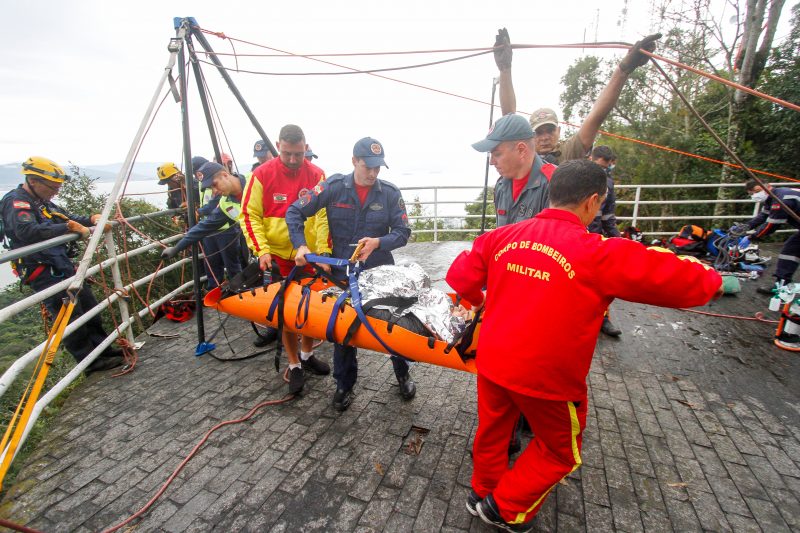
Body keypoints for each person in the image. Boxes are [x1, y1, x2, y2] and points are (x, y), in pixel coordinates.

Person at [446, 159, 723, 532]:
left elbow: (458, 276)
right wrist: (714, 277)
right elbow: (687, 279)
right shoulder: (599, 252)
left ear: (552, 193)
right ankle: (505, 508)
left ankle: (482, 493)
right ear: (593, 201)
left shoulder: (501, 237)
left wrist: (478, 299)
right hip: (548, 380)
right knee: (561, 451)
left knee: (493, 431)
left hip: (494, 362)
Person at [286, 137, 416, 412]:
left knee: (392, 326)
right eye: (367, 166)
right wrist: (301, 244)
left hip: (382, 273)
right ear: (354, 161)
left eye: (378, 168)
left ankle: (402, 373)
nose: (372, 173)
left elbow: (403, 233)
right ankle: (344, 384)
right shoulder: (333, 187)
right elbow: (295, 211)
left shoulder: (390, 193)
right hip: (344, 275)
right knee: (343, 330)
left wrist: (379, 242)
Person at [0, 157, 125, 373]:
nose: (55, 192)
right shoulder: (16, 202)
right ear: (33, 180)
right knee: (69, 317)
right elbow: (26, 232)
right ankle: (90, 363)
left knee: (89, 307)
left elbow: (64, 218)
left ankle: (103, 350)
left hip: (61, 265)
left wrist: (91, 219)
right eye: (52, 187)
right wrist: (67, 229)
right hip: (42, 269)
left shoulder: (41, 201)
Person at [240, 124, 332, 395]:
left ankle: (306, 355)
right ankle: (293, 365)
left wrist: (324, 253)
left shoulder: (317, 175)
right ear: (278, 146)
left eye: (298, 154)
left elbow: (324, 217)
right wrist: (262, 250)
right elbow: (249, 215)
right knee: (287, 315)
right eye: (287, 153)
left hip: (309, 258)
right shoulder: (261, 175)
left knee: (310, 308)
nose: (293, 160)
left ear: (306, 147)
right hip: (278, 258)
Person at [493, 28, 660, 164]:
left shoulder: (568, 152)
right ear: (531, 135)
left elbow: (595, 118)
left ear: (558, 131)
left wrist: (623, 70)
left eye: (549, 131)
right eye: (539, 132)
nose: (544, 138)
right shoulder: (525, 155)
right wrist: (505, 70)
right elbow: (509, 118)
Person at [160, 162, 245, 288]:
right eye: (212, 188)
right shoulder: (225, 205)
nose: (215, 191)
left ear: (225, 175)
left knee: (233, 264)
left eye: (215, 184)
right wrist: (176, 248)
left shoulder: (256, 180)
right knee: (213, 264)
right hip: (266, 250)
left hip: (279, 243)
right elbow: (203, 227)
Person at [473, 113, 557, 227]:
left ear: (521, 150)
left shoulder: (555, 183)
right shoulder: (501, 186)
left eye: (497, 154)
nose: (491, 162)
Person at [741, 180, 800, 294]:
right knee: (790, 251)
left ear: (768, 186)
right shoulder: (774, 197)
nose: (755, 195)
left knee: (791, 249)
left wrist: (751, 237)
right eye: (751, 193)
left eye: (757, 191)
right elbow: (763, 216)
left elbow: (771, 225)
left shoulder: (781, 200)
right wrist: (745, 226)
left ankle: (782, 284)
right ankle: (781, 285)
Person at [588, 145, 622, 337]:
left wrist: (618, 239)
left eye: (606, 167)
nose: (603, 171)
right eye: (600, 166)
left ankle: (603, 318)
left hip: (596, 239)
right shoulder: (578, 179)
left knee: (601, 281)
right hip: (575, 238)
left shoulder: (608, 184)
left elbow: (608, 216)